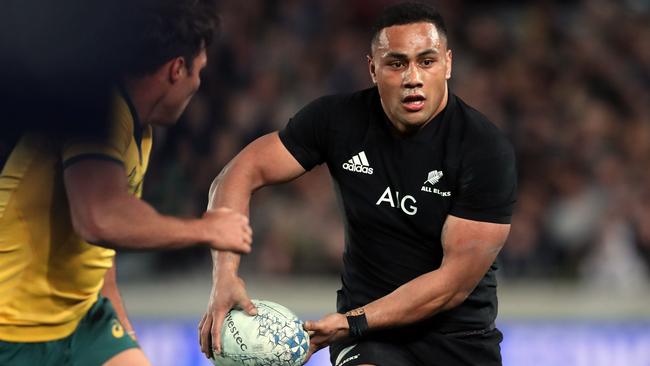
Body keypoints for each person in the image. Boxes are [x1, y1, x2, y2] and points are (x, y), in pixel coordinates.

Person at [199, 2, 516, 365]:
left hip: (459, 340)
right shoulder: (338, 121)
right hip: (372, 339)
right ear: (372, 69)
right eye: (396, 63)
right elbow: (237, 174)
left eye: (426, 61)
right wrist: (224, 276)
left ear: (447, 64)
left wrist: (351, 322)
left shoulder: (484, 150)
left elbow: (452, 285)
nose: (413, 77)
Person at [0, 0, 253, 365]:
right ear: (176, 69)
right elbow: (98, 218)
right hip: (14, 329)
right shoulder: (97, 114)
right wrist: (204, 229)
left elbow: (101, 246)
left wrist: (119, 320)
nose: (198, 84)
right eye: (198, 72)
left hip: (83, 321)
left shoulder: (140, 129)